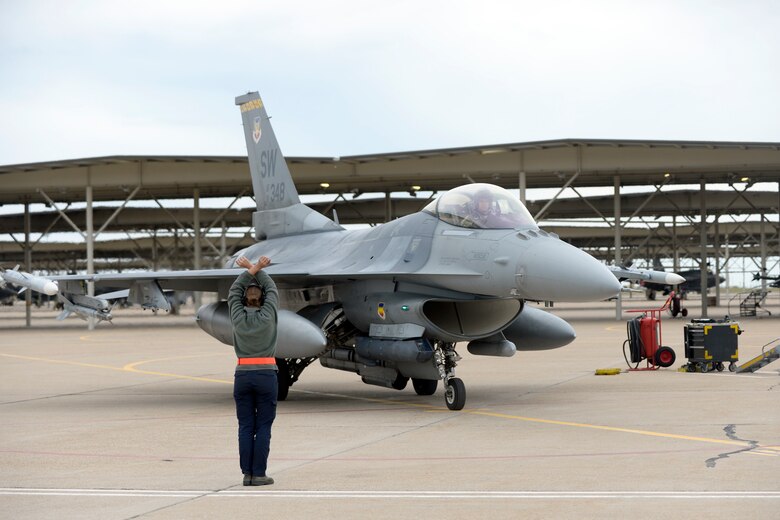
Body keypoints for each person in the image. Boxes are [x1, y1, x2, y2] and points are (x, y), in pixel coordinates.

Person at [229, 254, 279, 486]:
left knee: (246, 426)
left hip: (243, 376)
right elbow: (271, 287)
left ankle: (247, 474)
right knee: (264, 427)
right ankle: (259, 474)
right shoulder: (269, 315)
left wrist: (250, 268)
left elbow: (233, 290)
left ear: (243, 299)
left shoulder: (237, 316)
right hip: (267, 376)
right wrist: (257, 267)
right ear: (263, 299)